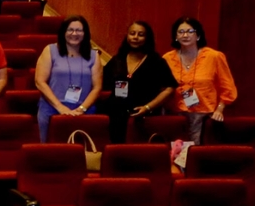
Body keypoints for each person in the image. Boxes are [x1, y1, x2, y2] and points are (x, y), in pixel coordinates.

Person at [99, 21, 176, 143]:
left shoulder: (156, 61)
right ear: (127, 36)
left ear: (147, 38)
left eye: (140, 34)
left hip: (143, 117)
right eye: (132, 33)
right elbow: (102, 83)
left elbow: (170, 88)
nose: (135, 37)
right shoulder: (118, 59)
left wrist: (147, 107)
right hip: (115, 115)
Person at [166, 16, 237, 144]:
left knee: (197, 150)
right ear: (175, 36)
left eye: (190, 31)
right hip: (174, 113)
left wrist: (220, 109)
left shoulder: (214, 56)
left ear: (198, 35)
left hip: (204, 114)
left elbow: (227, 86)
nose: (185, 35)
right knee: (176, 150)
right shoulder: (167, 58)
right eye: (181, 32)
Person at [33, 15, 103, 141]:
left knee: (78, 152)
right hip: (51, 109)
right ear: (63, 32)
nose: (74, 33)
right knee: (51, 151)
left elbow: (97, 87)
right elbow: (40, 82)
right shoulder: (50, 50)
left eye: (79, 30)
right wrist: (60, 107)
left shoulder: (94, 55)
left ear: (85, 33)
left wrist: (82, 109)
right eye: (70, 30)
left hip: (83, 112)